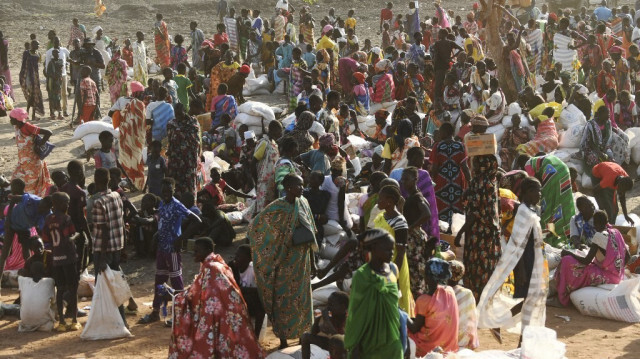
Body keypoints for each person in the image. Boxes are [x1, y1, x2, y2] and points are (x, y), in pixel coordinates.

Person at [247, 174, 316, 349]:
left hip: (302, 262)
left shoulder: (304, 203)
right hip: (284, 263)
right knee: (283, 301)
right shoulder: (277, 208)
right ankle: (284, 340)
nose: (301, 188)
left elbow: (311, 234)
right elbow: (256, 227)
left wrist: (313, 262)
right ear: (287, 188)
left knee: (302, 300)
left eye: (302, 185)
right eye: (298, 186)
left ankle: (302, 336)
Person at [477, 177, 547, 345]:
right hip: (526, 261)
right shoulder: (523, 212)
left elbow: (528, 237)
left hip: (533, 260)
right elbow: (517, 242)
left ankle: (520, 339)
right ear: (528, 192)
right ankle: (508, 331)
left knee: (531, 299)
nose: (539, 194)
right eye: (537, 191)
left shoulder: (530, 211)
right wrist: (521, 269)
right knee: (530, 299)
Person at [169, 238, 264, 358]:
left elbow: (200, 294)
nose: (194, 254)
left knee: (205, 320)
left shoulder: (211, 268)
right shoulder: (216, 262)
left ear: (208, 250)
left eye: (197, 251)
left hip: (224, 313)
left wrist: (177, 297)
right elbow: (202, 289)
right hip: (232, 312)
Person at [139, 177, 201, 324]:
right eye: (164, 190)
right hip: (162, 248)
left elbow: (197, 220)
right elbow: (161, 222)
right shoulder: (162, 203)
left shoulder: (177, 205)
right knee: (159, 280)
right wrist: (155, 237)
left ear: (173, 190)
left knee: (176, 282)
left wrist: (181, 238)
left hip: (172, 249)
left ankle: (180, 315)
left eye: (169, 190)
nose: (166, 193)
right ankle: (155, 312)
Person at [344, 229, 404, 358]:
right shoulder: (362, 275)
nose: (392, 252)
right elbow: (356, 312)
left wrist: (404, 336)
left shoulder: (393, 270)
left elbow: (395, 307)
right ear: (374, 248)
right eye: (387, 249)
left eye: (393, 249)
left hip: (392, 341)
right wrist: (355, 345)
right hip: (368, 344)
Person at [556, 210, 628, 306]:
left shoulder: (599, 236)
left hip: (607, 277)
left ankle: (565, 295)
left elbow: (586, 261)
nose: (593, 226)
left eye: (594, 223)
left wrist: (569, 253)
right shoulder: (616, 232)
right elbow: (628, 256)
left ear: (596, 223)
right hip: (618, 276)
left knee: (567, 261)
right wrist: (616, 268)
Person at [454, 154, 501, 301]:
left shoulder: (481, 182)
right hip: (490, 232)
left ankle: (476, 300)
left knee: (476, 266)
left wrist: (460, 233)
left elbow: (474, 212)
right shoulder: (491, 181)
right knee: (486, 266)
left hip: (478, 233)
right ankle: (485, 300)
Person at [91, 168, 128, 325]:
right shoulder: (116, 195)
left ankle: (116, 321)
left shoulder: (98, 202)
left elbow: (104, 231)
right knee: (115, 283)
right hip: (117, 246)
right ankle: (119, 319)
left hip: (103, 249)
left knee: (104, 287)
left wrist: (102, 257)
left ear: (96, 181)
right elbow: (121, 220)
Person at [43, 192, 81, 332]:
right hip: (69, 257)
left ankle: (62, 322)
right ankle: (75, 320)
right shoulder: (66, 219)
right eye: (66, 202)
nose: (68, 205)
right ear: (58, 204)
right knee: (73, 287)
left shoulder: (48, 220)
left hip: (56, 259)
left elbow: (46, 240)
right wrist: (78, 235)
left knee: (60, 288)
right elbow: (69, 236)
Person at [519, 154, 575, 247]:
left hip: (552, 173)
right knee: (563, 201)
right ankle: (568, 233)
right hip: (564, 170)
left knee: (547, 206)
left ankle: (547, 234)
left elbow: (534, 183)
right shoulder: (541, 159)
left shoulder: (527, 165)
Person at [374, 185, 414, 315]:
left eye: (380, 199)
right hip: (380, 263)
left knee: (396, 302)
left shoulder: (399, 222)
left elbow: (401, 252)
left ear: (389, 201)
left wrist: (393, 276)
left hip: (394, 265)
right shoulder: (382, 216)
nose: (377, 201)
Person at [407, 258, 459, 356]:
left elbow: (414, 328)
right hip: (450, 347)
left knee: (401, 330)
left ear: (429, 277)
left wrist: (403, 314)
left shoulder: (424, 300)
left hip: (429, 348)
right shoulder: (450, 292)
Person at [400, 166, 436, 298]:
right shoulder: (413, 195)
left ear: (415, 179)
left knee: (415, 268)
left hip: (414, 238)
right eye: (402, 179)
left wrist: (411, 228)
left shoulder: (416, 197)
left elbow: (426, 213)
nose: (403, 182)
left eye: (406, 179)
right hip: (415, 235)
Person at [430, 122, 468, 227]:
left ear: (446, 132)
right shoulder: (460, 146)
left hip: (441, 182)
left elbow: (434, 168)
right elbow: (465, 167)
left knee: (441, 206)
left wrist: (432, 180)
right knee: (456, 206)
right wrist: (470, 183)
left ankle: (443, 230)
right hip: (457, 181)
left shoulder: (438, 146)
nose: (439, 133)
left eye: (441, 131)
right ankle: (454, 230)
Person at [9, 108, 53, 197]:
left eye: (11, 119)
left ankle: (32, 202)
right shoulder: (18, 127)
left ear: (17, 119)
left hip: (32, 161)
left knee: (30, 184)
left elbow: (48, 132)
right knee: (16, 180)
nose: (10, 121)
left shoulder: (27, 127)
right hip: (23, 161)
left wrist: (40, 145)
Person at [166, 103, 201, 197]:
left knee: (189, 183)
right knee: (176, 184)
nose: (178, 117)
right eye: (176, 114)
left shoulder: (193, 123)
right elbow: (170, 141)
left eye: (180, 114)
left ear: (185, 111)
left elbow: (197, 141)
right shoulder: (171, 124)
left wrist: (199, 156)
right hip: (175, 159)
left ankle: (190, 204)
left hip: (189, 159)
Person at [301, 291, 349, 359]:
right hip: (333, 344)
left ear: (342, 306)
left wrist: (328, 323)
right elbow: (313, 333)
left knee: (337, 345)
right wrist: (318, 319)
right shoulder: (333, 315)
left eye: (331, 304)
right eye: (328, 304)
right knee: (305, 337)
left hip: (345, 348)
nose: (328, 307)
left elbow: (340, 340)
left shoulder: (349, 318)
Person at [252, 120, 282, 216]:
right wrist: (256, 180)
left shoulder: (273, 143)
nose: (280, 133)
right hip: (263, 180)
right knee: (262, 209)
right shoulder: (264, 143)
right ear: (272, 130)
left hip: (272, 181)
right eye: (279, 131)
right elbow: (253, 162)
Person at [448, 260, 479, 350]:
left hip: (447, 339)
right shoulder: (467, 293)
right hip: (465, 341)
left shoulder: (443, 292)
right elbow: (472, 318)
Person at [44, 37, 70, 117]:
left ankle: (65, 110)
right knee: (53, 94)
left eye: (58, 41)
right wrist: (48, 78)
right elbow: (47, 65)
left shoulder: (64, 50)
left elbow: (69, 59)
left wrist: (67, 66)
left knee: (64, 93)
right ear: (53, 42)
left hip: (63, 74)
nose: (56, 43)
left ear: (59, 42)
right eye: (55, 42)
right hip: (53, 77)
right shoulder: (49, 52)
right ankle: (54, 112)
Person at [581, 106, 613, 172]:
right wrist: (599, 152)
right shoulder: (591, 125)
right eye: (607, 113)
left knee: (611, 157)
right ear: (600, 114)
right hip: (591, 148)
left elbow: (607, 138)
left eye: (609, 113)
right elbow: (590, 142)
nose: (609, 115)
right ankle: (597, 174)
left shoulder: (608, 123)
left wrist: (604, 151)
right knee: (596, 159)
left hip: (603, 147)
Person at [19, 40, 45, 120]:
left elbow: (38, 65)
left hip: (35, 77)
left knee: (35, 96)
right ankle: (28, 114)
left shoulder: (38, 54)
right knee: (31, 95)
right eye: (36, 44)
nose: (38, 46)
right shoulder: (26, 53)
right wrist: (22, 77)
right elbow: (23, 65)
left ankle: (32, 115)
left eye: (38, 44)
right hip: (28, 77)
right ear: (32, 45)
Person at [45, 49, 64, 120]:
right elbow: (48, 73)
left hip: (58, 82)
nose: (57, 55)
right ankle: (52, 113)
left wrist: (57, 77)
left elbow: (60, 70)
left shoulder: (60, 61)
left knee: (58, 98)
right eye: (55, 53)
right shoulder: (50, 62)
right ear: (53, 54)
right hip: (52, 82)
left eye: (58, 53)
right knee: (51, 98)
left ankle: (59, 113)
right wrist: (54, 76)